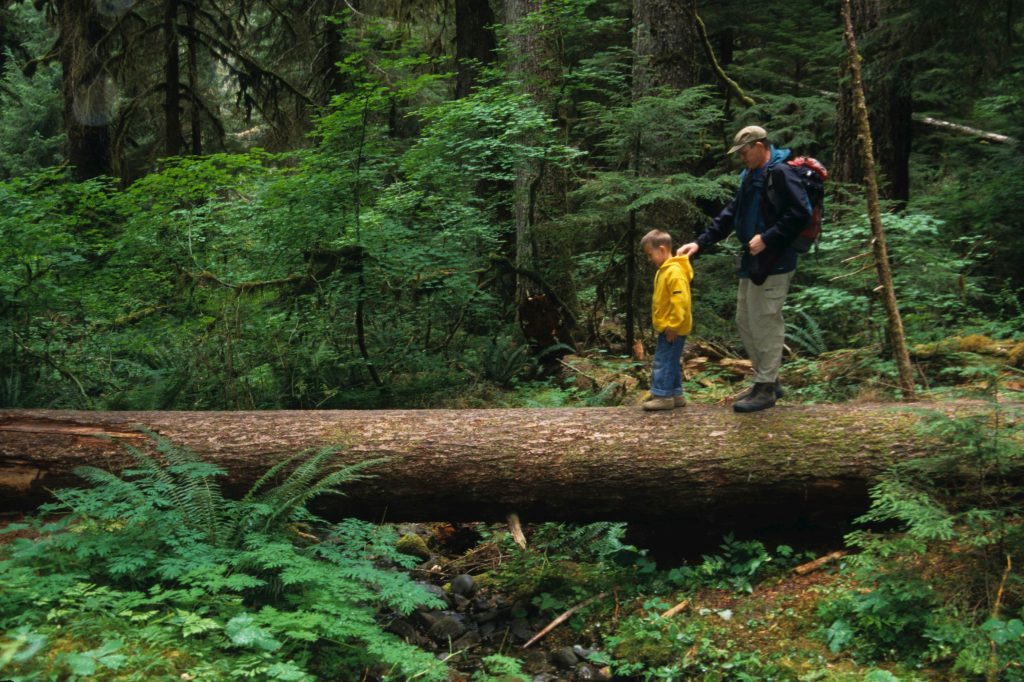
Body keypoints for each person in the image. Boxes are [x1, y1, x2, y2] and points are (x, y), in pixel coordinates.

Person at [676, 125, 811, 413]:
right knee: (745, 320)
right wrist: (699, 243)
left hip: (775, 259)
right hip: (753, 261)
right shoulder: (751, 176)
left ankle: (766, 386)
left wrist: (767, 237)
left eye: (745, 151)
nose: (742, 157)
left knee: (765, 320)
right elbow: (729, 215)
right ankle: (768, 381)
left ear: (761, 145)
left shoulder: (781, 173)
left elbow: (801, 212)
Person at [640, 229, 694, 411]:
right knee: (671, 360)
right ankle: (676, 394)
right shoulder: (664, 270)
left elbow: (681, 301)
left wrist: (673, 325)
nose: (649, 259)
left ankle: (663, 395)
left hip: (673, 328)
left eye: (650, 254)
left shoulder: (674, 272)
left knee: (663, 361)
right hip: (669, 326)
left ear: (662, 249)